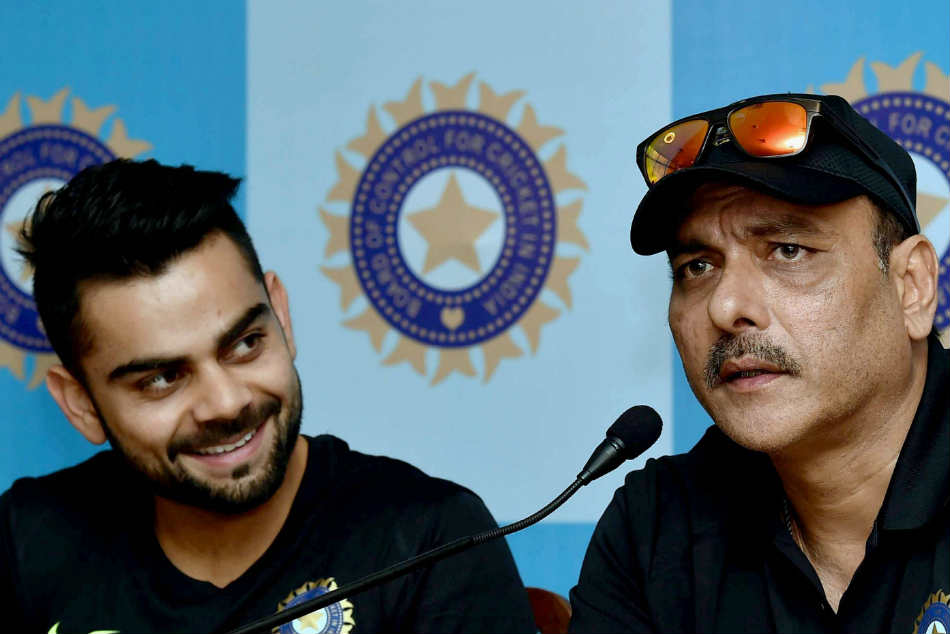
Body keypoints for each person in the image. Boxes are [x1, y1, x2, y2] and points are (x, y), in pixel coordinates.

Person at [0, 159, 536, 634]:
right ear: (81, 404)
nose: (226, 403)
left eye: (245, 344)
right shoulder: (27, 540)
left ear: (281, 315)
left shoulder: (429, 541)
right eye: (162, 379)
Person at [569, 94, 948, 633]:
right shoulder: (656, 529)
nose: (725, 307)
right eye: (697, 267)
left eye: (788, 250)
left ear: (912, 286)